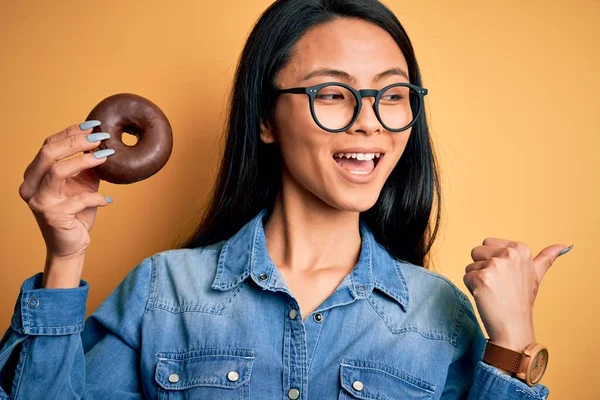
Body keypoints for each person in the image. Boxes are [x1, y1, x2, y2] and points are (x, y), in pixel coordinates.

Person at [0, 0, 570, 398]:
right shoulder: (162, 293)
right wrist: (65, 256)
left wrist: (514, 344)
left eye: (392, 95)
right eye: (332, 93)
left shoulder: (440, 314)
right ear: (267, 118)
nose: (370, 122)